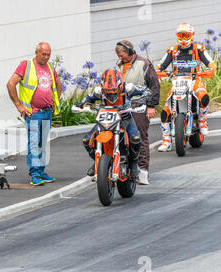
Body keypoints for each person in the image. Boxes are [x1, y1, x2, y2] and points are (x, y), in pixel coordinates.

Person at [77, 69, 152, 179]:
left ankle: (134, 164)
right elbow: (87, 98)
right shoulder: (98, 91)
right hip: (105, 119)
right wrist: (82, 103)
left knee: (135, 138)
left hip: (125, 118)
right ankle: (96, 162)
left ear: (120, 84)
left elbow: (147, 91)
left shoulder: (128, 88)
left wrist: (142, 100)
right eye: (107, 91)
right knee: (87, 140)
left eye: (113, 91)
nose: (111, 94)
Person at [6, 42, 62, 186]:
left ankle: (41, 172)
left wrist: (56, 100)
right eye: (43, 54)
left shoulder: (50, 66)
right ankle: (35, 174)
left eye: (48, 54)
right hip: (33, 112)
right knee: (34, 143)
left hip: (47, 111)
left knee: (42, 143)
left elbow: (57, 83)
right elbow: (11, 84)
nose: (46, 57)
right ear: (36, 52)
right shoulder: (26, 65)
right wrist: (19, 105)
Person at [156, 23, 216, 152]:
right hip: (177, 81)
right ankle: (166, 141)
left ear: (191, 35)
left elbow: (210, 63)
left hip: (194, 80)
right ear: (177, 36)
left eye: (186, 35)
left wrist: (210, 68)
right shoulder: (172, 49)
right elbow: (160, 65)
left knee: (204, 97)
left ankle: (202, 121)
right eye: (181, 35)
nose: (183, 38)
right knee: (165, 111)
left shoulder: (198, 48)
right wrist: (159, 71)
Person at [114, 40, 160, 185]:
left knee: (140, 137)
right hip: (121, 107)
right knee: (120, 136)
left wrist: (151, 106)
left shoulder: (144, 64)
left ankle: (143, 172)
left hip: (139, 107)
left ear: (129, 51)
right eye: (118, 56)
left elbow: (154, 85)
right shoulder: (118, 65)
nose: (120, 58)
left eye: (122, 55)